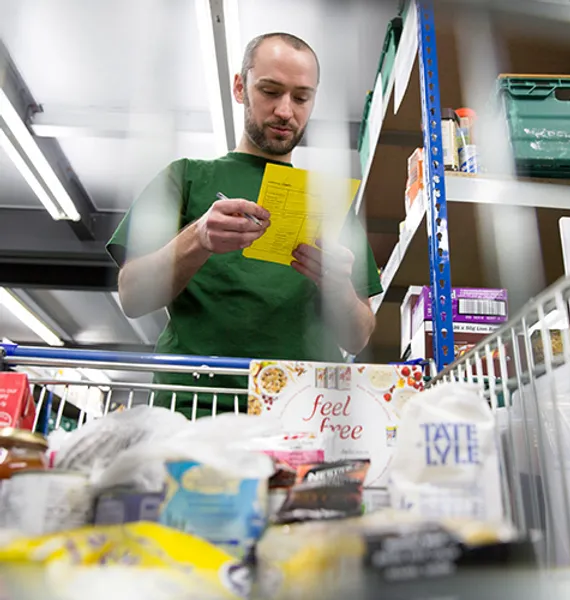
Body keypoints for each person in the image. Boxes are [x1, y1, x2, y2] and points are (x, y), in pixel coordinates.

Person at [106, 32, 383, 418]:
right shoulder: (186, 178)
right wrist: (198, 238)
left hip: (302, 411)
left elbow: (358, 335)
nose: (286, 110)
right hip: (195, 408)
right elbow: (132, 297)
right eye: (270, 91)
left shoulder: (329, 200)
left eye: (302, 97)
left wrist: (336, 286)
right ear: (240, 87)